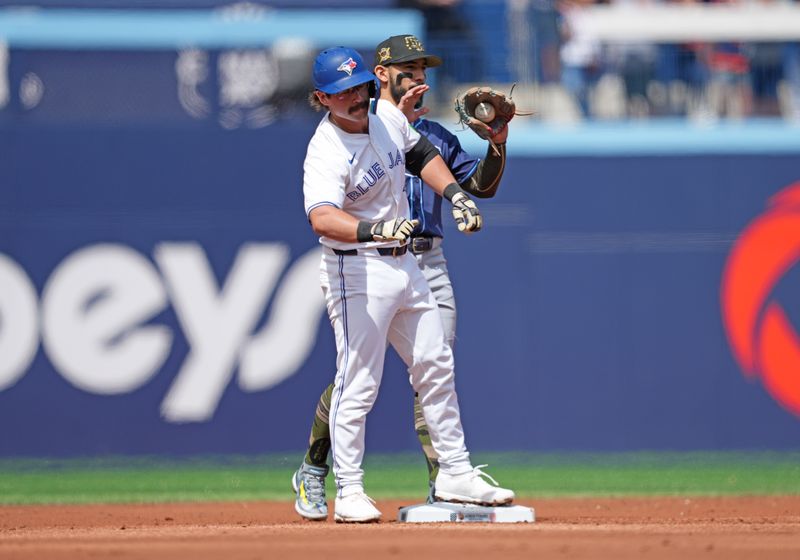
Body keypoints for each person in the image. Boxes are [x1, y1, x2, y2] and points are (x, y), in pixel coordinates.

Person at [294, 37, 512, 522]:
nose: (355, 95)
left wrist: (456, 195)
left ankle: (454, 471)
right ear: (323, 97)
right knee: (360, 381)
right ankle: (348, 489)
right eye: (343, 89)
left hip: (408, 264)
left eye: (360, 85)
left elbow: (420, 156)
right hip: (357, 268)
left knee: (435, 363)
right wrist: (376, 228)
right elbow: (323, 218)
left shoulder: (385, 118)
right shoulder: (326, 149)